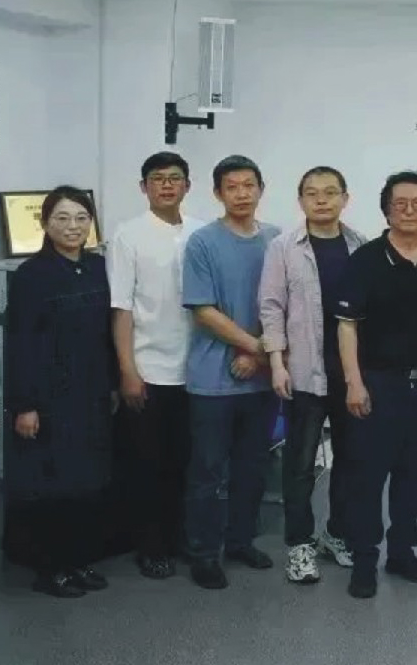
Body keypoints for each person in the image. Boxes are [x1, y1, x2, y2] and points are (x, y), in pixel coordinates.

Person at [338, 171, 417, 599]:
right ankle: (364, 560)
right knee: (369, 476)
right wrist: (354, 382)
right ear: (386, 209)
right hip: (377, 383)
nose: (408, 210)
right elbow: (347, 325)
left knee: (410, 474)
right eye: (399, 203)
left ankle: (402, 552)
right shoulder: (366, 260)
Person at [4, 186, 115, 598]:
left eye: (81, 218)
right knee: (52, 485)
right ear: (45, 223)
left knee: (88, 483)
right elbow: (21, 344)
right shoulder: (31, 275)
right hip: (49, 399)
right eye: (62, 218)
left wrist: (114, 384)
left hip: (91, 394)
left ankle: (79, 559)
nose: (73, 227)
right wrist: (25, 405)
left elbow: (108, 333)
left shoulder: (98, 267)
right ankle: (51, 569)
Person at [259, 166, 367, 584]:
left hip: (350, 374)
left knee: (351, 462)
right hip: (304, 372)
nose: (321, 200)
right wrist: (276, 363)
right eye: (311, 193)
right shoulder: (283, 247)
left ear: (345, 198)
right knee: (300, 465)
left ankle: (335, 534)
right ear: (300, 199)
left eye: (330, 192)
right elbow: (271, 307)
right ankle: (299, 545)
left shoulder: (361, 245)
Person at [181, 156, 281, 590]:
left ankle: (241, 541)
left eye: (248, 185)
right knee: (208, 471)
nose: (241, 194)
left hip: (262, 378)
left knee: (252, 468)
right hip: (212, 380)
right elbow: (203, 310)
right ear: (218, 193)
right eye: (232, 187)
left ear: (261, 189)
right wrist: (253, 346)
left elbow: (284, 305)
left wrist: (257, 357)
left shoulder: (277, 240)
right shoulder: (203, 242)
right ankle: (204, 552)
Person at [107, 151, 204, 580]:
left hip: (197, 369)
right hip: (148, 367)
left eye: (175, 178)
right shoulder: (127, 235)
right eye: (158, 178)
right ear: (143, 187)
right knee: (148, 463)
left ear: (188, 186)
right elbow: (122, 308)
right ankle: (151, 545)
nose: (167, 185)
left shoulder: (202, 232)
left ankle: (181, 536)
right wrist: (128, 370)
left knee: (186, 461)